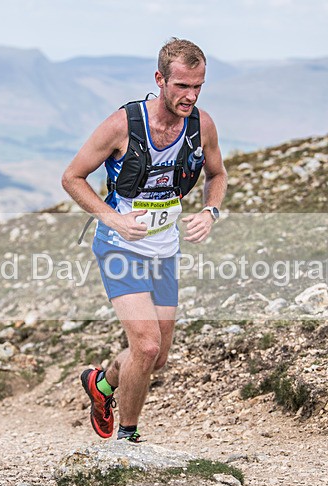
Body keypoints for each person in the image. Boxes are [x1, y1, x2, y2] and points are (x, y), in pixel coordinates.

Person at [61, 38, 228, 443]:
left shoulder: (201, 124)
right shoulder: (124, 124)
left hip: (163, 249)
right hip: (120, 247)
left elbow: (217, 175)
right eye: (181, 86)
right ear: (160, 79)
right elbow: (72, 178)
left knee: (156, 359)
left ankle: (101, 385)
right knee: (147, 346)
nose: (190, 96)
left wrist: (210, 211)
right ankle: (128, 441)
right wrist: (113, 219)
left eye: (198, 87)